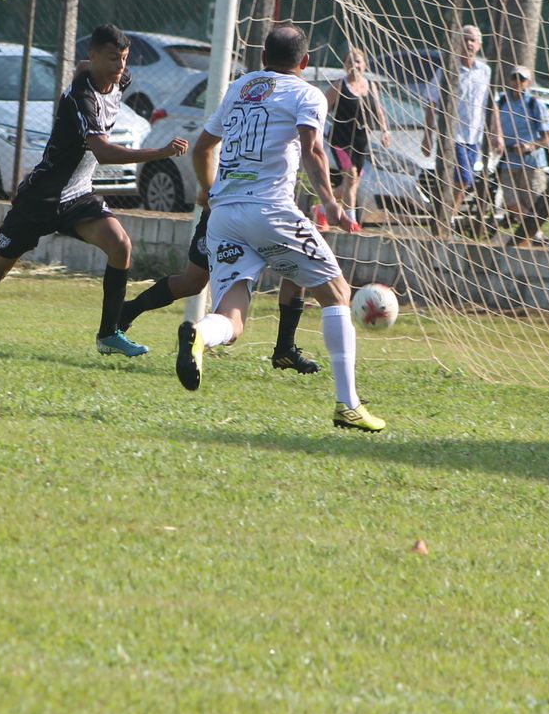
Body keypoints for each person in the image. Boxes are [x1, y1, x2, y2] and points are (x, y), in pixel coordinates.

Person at [0, 25, 189, 369]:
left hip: (78, 197)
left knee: (121, 246)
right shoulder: (79, 99)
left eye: (125, 58)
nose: (121, 65)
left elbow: (83, 69)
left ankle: (108, 333)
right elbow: (101, 152)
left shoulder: (117, 79)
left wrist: (90, 67)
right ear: (95, 56)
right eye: (114, 58)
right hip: (40, 200)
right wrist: (158, 152)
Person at [177, 24, 386, 433]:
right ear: (305, 63)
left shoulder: (239, 88)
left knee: (232, 321)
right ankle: (348, 405)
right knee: (338, 293)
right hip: (269, 210)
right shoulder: (306, 93)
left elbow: (203, 148)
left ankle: (200, 333)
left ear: (262, 58)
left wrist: (208, 190)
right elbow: (311, 148)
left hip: (224, 215)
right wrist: (331, 202)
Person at [117, 206, 322, 374]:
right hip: (223, 214)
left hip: (262, 212)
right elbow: (204, 160)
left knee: (296, 265)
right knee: (193, 282)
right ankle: (128, 311)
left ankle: (285, 348)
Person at [422, 23, 503, 220]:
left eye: (472, 40)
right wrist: (428, 135)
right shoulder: (448, 70)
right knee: (463, 178)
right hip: (453, 134)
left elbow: (492, 104)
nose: (468, 44)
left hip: (474, 135)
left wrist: (497, 133)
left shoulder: (485, 71)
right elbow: (431, 102)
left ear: (479, 44)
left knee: (463, 180)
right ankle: (447, 218)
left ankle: (446, 216)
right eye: (465, 39)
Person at [322, 46, 390, 230]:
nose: (354, 65)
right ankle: (351, 221)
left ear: (365, 65)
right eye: (350, 62)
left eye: (358, 61)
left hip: (360, 140)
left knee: (352, 183)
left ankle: (320, 209)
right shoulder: (339, 86)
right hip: (340, 140)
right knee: (351, 176)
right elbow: (322, 108)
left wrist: (385, 131)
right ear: (345, 65)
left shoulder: (370, 86)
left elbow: (378, 111)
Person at [496, 65, 549, 247]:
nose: (517, 82)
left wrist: (530, 146)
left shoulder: (534, 104)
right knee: (511, 200)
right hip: (509, 159)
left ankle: (534, 234)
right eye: (514, 78)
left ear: (528, 83)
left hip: (531, 161)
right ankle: (534, 233)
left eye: (521, 79)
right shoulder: (501, 101)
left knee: (533, 201)